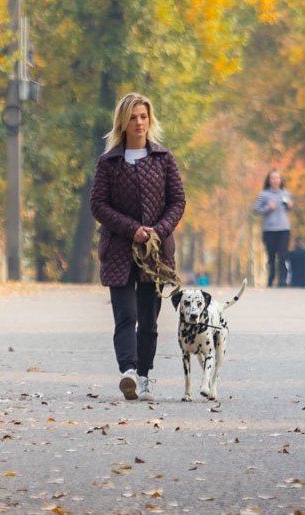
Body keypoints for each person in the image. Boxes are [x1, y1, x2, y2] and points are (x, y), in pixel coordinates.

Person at [90, 92, 186, 402]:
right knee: (125, 315)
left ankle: (144, 376)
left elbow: (177, 201)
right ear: (122, 122)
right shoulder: (109, 163)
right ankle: (128, 372)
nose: (139, 122)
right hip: (119, 250)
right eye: (133, 117)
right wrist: (133, 230)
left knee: (149, 318)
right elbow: (98, 205)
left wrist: (157, 231)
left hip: (156, 253)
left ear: (150, 120)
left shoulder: (164, 159)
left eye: (143, 116)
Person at [253, 170, 292, 288]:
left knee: (283, 255)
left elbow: (287, 209)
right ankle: (271, 277)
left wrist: (290, 206)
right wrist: (267, 208)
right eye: (273, 178)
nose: (275, 180)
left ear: (281, 180)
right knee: (271, 255)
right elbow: (255, 209)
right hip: (269, 230)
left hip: (284, 228)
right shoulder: (263, 194)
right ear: (269, 180)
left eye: (277, 178)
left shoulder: (286, 193)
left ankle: (282, 280)